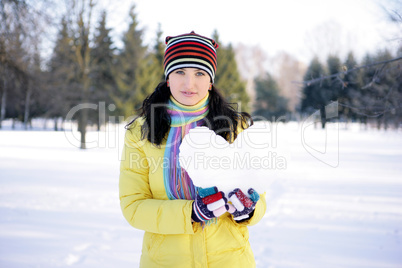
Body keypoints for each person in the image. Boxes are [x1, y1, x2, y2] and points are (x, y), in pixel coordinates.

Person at [119, 31, 266, 268]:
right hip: (165, 261)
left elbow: (259, 194)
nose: (189, 83)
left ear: (210, 81)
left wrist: (249, 210)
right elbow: (133, 206)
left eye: (199, 73)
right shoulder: (141, 132)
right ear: (168, 78)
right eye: (180, 72)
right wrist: (192, 212)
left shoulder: (235, 127)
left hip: (229, 261)